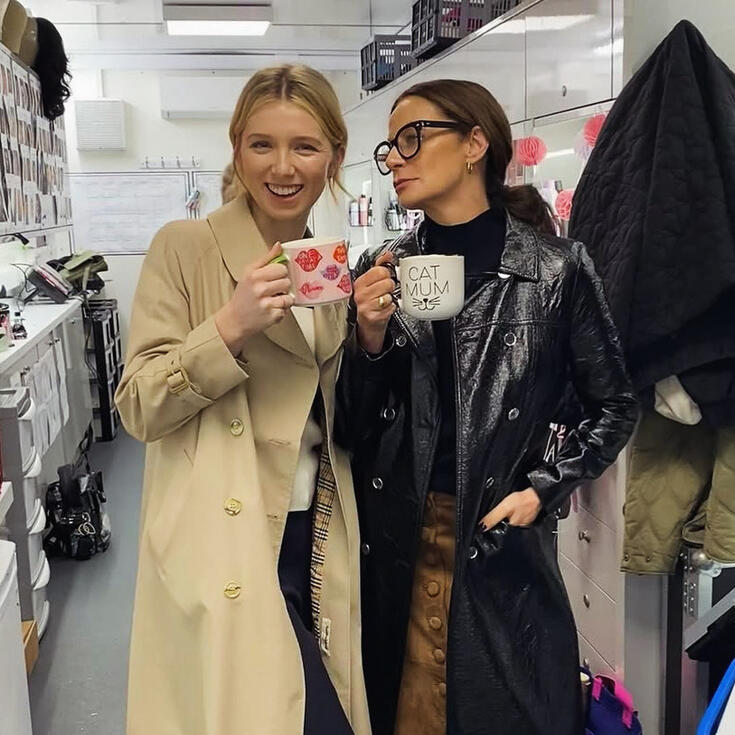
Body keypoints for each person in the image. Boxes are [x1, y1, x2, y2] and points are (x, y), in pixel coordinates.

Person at [337, 79, 639, 735]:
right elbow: (349, 428)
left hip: (497, 533)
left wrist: (543, 489)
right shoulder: (382, 268)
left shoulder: (554, 271)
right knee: (410, 713)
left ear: (475, 143)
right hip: (401, 535)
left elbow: (614, 405)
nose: (396, 160)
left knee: (510, 708)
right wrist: (367, 339)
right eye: (390, 148)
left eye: (413, 138)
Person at [116, 64, 370, 735]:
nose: (282, 167)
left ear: (333, 155)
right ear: (237, 148)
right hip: (225, 531)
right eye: (262, 144)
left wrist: (369, 336)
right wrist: (228, 327)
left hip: (316, 528)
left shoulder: (324, 261)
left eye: (304, 146)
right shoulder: (186, 248)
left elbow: (332, 411)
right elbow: (139, 403)